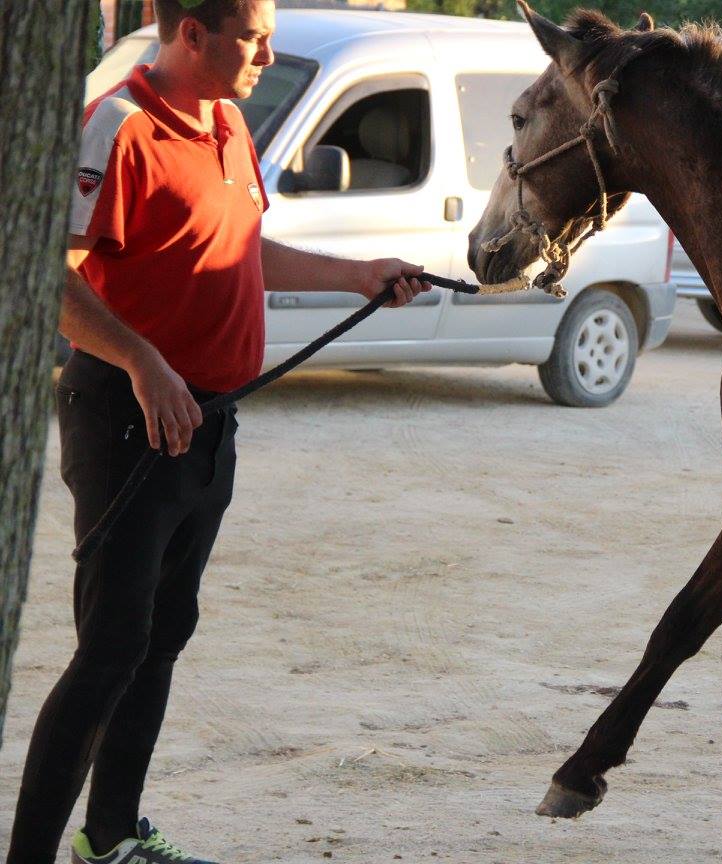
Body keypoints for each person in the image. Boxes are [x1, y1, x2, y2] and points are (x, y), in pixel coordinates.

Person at [5, 1, 429, 861]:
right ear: (191, 33)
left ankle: (111, 839)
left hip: (206, 421)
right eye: (253, 36)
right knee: (109, 650)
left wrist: (359, 276)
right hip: (127, 419)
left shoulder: (230, 124)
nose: (268, 53)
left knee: (160, 639)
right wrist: (141, 360)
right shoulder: (117, 126)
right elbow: (49, 274)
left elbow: (240, 247)